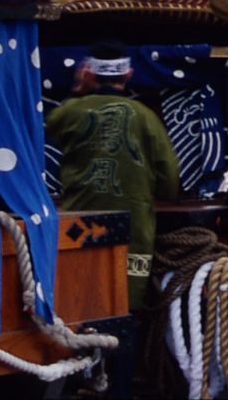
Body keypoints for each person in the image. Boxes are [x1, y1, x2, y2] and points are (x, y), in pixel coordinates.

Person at [45, 43, 178, 308]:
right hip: (133, 222)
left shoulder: (70, 112)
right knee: (126, 297)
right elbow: (169, 179)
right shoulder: (146, 116)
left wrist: (78, 91)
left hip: (80, 220)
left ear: (89, 73)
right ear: (128, 74)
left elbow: (50, 126)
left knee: (79, 294)